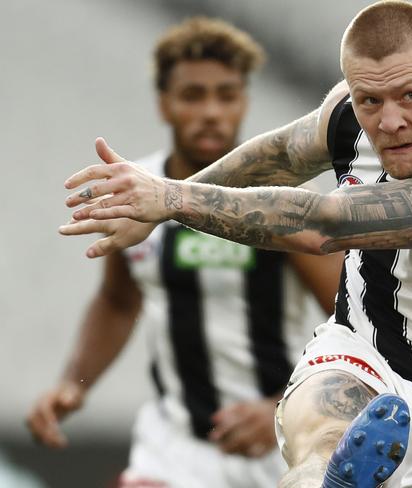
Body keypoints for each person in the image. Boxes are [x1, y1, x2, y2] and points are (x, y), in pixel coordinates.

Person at [59, 1, 412, 487]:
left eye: (409, 95)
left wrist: (171, 196)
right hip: (360, 352)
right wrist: (159, 208)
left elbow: (328, 227)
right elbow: (281, 156)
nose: (390, 121)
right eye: (370, 101)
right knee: (320, 436)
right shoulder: (351, 115)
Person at [27, 17, 342, 488]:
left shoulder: (279, 198)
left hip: (279, 444)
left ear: (244, 101)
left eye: (226, 94)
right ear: (164, 103)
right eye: (194, 95)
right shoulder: (136, 194)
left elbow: (345, 317)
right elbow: (118, 301)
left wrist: (281, 404)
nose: (212, 111)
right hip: (175, 448)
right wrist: (74, 382)